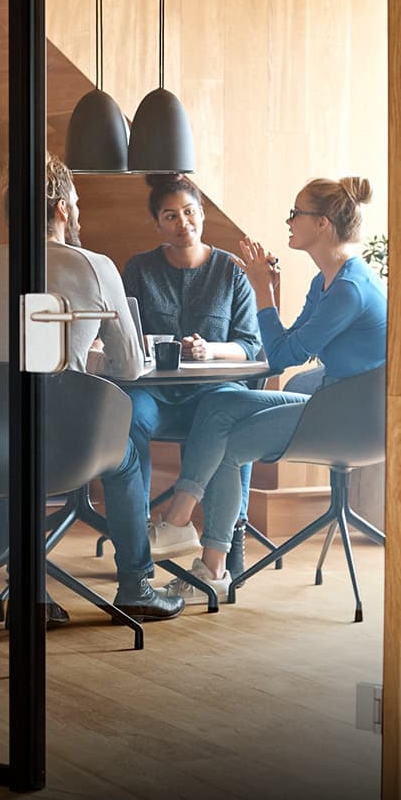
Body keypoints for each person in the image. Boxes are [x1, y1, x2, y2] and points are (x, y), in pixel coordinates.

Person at [0, 154, 184, 622]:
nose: (79, 213)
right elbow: (131, 368)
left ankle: (27, 588)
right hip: (68, 447)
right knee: (125, 453)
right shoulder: (96, 266)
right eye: (76, 204)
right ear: (59, 209)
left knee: (3, 443)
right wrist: (85, 357)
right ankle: (136, 586)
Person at [149, 177, 387, 601]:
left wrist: (262, 290)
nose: (290, 222)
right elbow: (285, 343)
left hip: (354, 418)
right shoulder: (327, 280)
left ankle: (208, 564)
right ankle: (182, 525)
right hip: (330, 399)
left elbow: (279, 356)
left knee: (231, 443)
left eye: (297, 213)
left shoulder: (349, 289)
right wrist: (268, 294)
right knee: (221, 402)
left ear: (324, 224)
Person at [122, 174, 262, 575]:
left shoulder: (231, 272)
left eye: (189, 212)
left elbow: (249, 345)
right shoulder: (139, 269)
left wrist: (209, 350)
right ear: (158, 224)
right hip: (154, 395)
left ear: (202, 214)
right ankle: (137, 538)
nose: (182, 222)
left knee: (230, 410)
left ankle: (231, 532)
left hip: (211, 393)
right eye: (171, 216)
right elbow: (125, 336)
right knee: (127, 415)